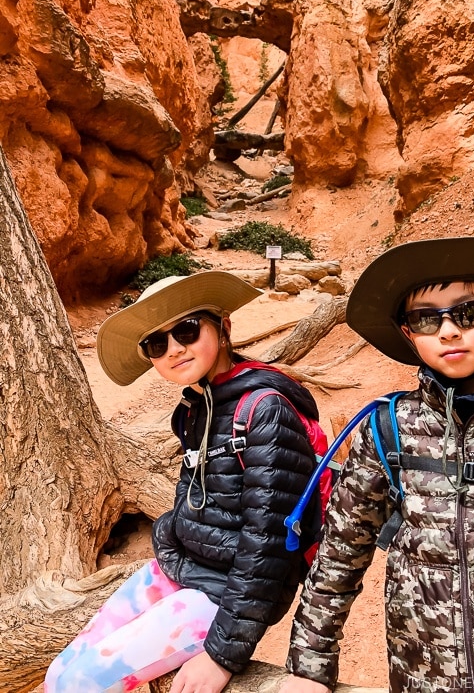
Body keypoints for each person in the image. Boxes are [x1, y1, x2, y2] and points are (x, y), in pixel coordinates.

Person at [282, 235, 474, 693]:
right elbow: (340, 554)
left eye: (469, 313)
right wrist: (308, 666)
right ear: (410, 336)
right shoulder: (388, 429)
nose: (449, 331)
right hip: (421, 680)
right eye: (426, 319)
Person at [45, 270, 322, 693]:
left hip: (224, 594)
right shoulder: (196, 407)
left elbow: (269, 544)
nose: (174, 349)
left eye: (187, 330)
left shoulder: (264, 410)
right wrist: (169, 535)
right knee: (56, 676)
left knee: (77, 685)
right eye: (158, 344)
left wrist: (221, 655)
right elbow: (193, 496)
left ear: (223, 327)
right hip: (184, 568)